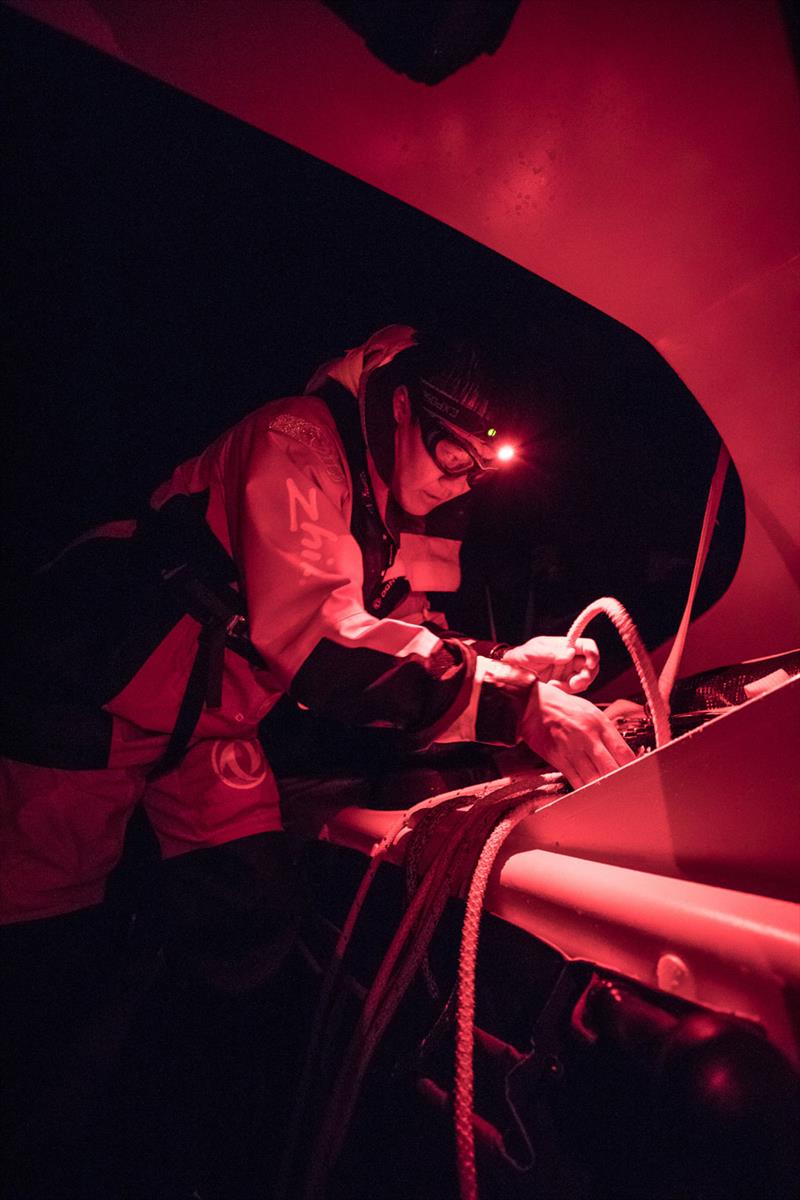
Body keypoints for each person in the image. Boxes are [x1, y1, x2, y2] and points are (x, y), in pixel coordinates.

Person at [1, 323, 633, 1197]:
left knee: (253, 916)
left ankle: (206, 1128)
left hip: (211, 722)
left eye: (477, 474)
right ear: (403, 403)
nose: (461, 480)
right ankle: (44, 1147)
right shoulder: (297, 443)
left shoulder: (380, 503)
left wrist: (509, 665)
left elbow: (404, 641)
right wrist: (518, 707)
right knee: (41, 947)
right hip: (92, 687)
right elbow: (328, 647)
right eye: (456, 454)